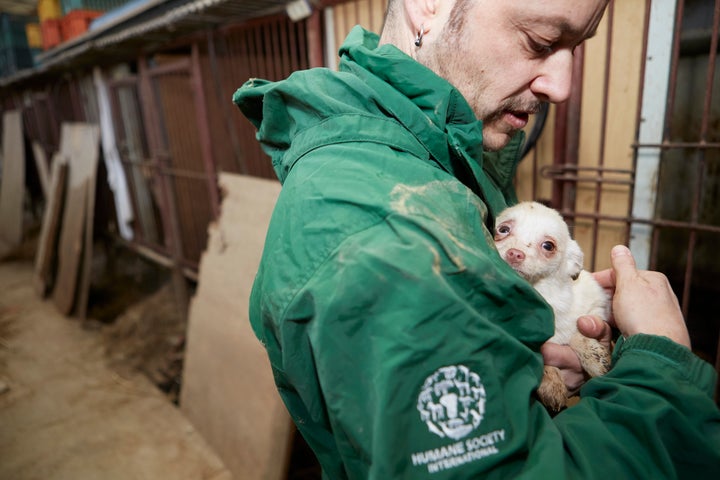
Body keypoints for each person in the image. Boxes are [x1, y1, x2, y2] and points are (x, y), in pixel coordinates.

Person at [233, 0, 720, 477]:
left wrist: (520, 364)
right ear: (427, 7)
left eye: (576, 48)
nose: (562, 86)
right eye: (541, 40)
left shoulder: (433, 160)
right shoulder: (389, 235)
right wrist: (659, 366)